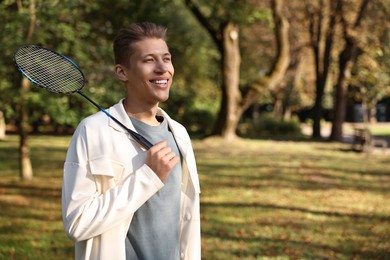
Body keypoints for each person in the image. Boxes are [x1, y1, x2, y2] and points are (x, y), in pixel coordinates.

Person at [62, 22, 201, 260]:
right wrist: (148, 177)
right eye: (149, 60)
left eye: (166, 59)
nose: (162, 68)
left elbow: (187, 219)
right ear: (122, 72)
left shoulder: (178, 134)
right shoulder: (93, 131)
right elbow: (77, 223)